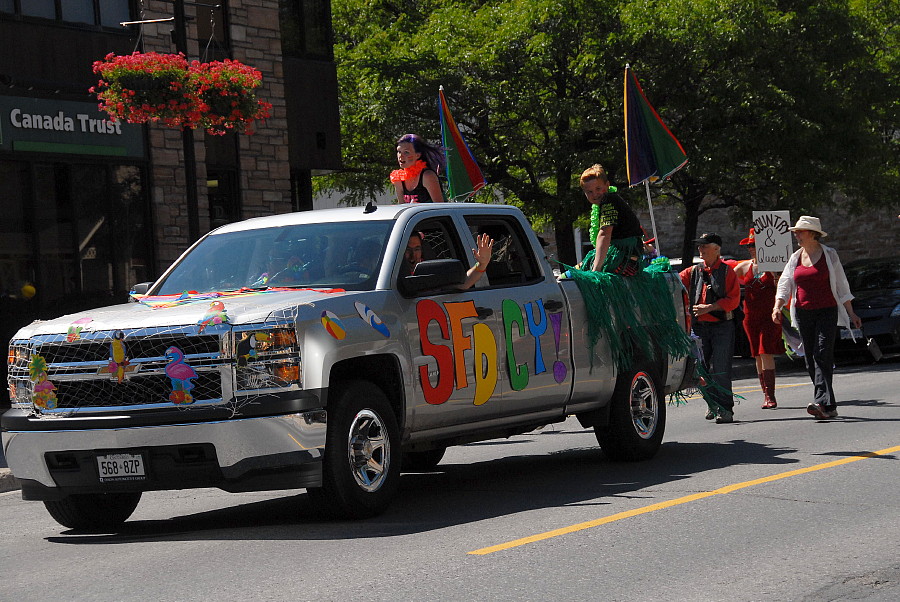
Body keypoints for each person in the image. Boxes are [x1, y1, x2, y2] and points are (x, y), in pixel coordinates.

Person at [772, 216, 862, 420]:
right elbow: (785, 284)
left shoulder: (829, 255)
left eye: (800, 231)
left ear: (813, 234)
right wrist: (777, 306)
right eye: (796, 232)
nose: (797, 235)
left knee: (822, 353)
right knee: (810, 359)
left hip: (827, 311)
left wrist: (851, 312)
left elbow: (841, 285)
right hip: (803, 313)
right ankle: (829, 406)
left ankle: (820, 401)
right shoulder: (794, 258)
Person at [680, 233, 741, 423]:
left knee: (720, 369)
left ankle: (725, 409)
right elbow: (674, 280)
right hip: (699, 328)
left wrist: (711, 307)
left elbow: (733, 301)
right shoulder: (693, 271)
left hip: (722, 327)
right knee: (700, 369)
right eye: (699, 246)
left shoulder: (727, 272)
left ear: (717, 249)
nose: (701, 249)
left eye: (705, 246)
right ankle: (712, 403)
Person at [733, 228, 785, 408]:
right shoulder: (744, 267)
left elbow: (783, 286)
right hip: (751, 316)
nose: (751, 249)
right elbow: (727, 280)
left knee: (765, 351)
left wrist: (776, 274)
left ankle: (770, 396)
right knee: (757, 354)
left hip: (769, 315)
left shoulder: (773, 266)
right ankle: (765, 393)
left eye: (755, 245)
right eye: (749, 246)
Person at [579, 164, 644, 275]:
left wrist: (596, 269)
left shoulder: (608, 200)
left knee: (577, 274)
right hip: (627, 258)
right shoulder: (609, 200)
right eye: (589, 192)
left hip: (625, 260)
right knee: (578, 269)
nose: (594, 194)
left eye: (598, 189)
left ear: (607, 185)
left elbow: (604, 233)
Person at [402, 232, 494, 290]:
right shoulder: (393, 277)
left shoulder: (427, 273)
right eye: (407, 249)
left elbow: (464, 283)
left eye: (417, 249)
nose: (412, 255)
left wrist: (482, 263)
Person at [390, 134, 445, 203]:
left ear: (418, 155)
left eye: (406, 152)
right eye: (399, 152)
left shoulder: (427, 176)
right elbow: (401, 206)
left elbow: (440, 207)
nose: (400, 156)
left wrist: (418, 207)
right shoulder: (398, 179)